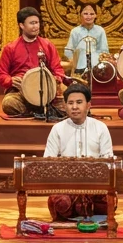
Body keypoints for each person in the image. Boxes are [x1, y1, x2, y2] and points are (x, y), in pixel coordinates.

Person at [42, 83, 114, 220]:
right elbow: (48, 162)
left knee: (108, 202)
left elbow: (109, 161)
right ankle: (80, 212)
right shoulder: (57, 129)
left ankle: (80, 212)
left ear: (88, 105)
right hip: (66, 186)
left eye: (79, 102)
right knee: (61, 202)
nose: (74, 107)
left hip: (94, 185)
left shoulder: (101, 128)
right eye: (70, 103)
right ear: (65, 106)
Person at [0, 7, 66, 117]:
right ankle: (37, 111)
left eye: (37, 23)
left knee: (71, 98)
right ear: (21, 25)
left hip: (47, 89)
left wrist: (55, 79)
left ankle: (41, 109)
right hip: (21, 91)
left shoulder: (47, 45)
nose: (36, 26)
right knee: (9, 103)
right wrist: (10, 81)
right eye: (32, 23)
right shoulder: (10, 48)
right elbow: (1, 74)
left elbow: (58, 69)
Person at [64, 3, 110, 78]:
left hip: (96, 68)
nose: (89, 16)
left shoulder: (100, 31)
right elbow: (69, 50)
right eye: (85, 14)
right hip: (79, 68)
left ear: (96, 15)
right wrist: (73, 63)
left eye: (92, 14)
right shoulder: (75, 31)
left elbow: (104, 51)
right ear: (80, 15)